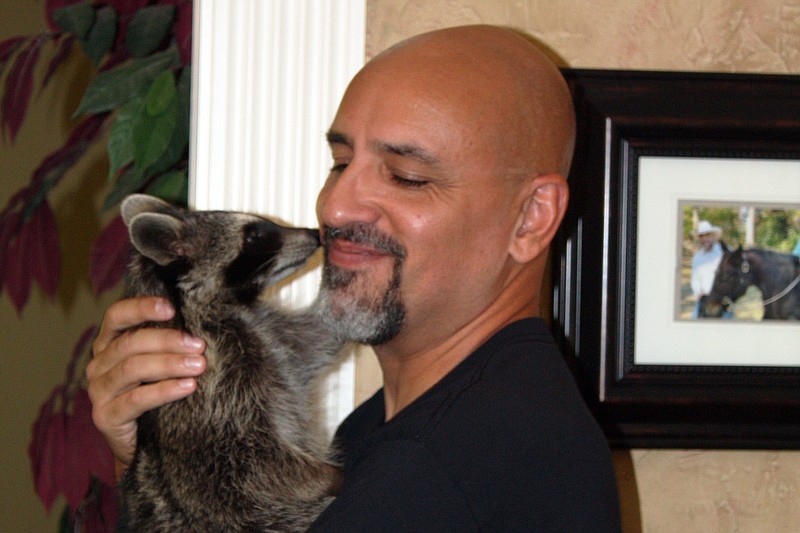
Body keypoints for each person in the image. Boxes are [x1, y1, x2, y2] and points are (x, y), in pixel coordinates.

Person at [87, 25, 622, 531]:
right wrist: (157, 463)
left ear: (531, 218)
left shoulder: (441, 467)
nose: (335, 208)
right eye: (341, 163)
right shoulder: (423, 428)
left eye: (407, 177)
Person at [690, 220, 727, 319]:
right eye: (702, 236)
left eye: (707, 235)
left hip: (722, 300)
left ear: (713, 236)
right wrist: (698, 292)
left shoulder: (723, 253)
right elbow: (695, 279)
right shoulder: (697, 257)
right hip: (704, 299)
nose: (705, 239)